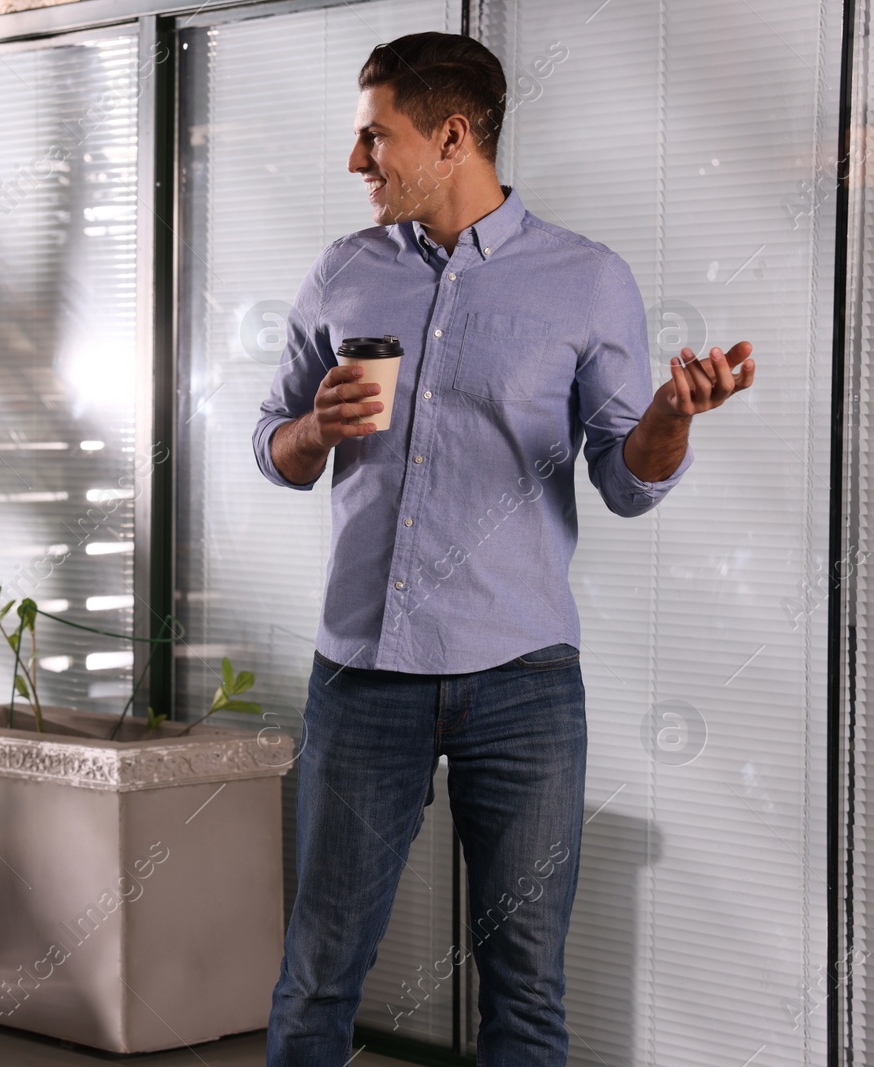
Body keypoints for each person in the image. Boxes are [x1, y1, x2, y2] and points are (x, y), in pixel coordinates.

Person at [257, 32, 755, 1065]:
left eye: (373, 137)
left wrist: (672, 411)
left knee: (525, 990)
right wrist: (314, 427)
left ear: (450, 135)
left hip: (522, 684)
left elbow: (627, 479)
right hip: (363, 677)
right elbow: (276, 446)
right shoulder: (343, 272)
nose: (358, 162)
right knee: (317, 974)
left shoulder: (585, 280)